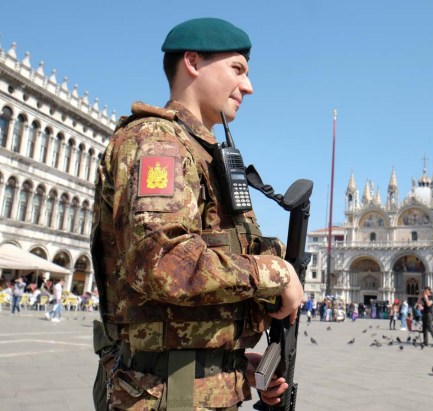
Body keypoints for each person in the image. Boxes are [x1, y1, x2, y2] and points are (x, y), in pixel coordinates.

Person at [90, 17, 304, 410]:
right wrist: (276, 273)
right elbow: (161, 262)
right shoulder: (158, 142)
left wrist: (232, 364)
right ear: (192, 61)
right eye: (237, 69)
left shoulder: (199, 151)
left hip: (187, 387)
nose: (248, 86)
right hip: (168, 394)